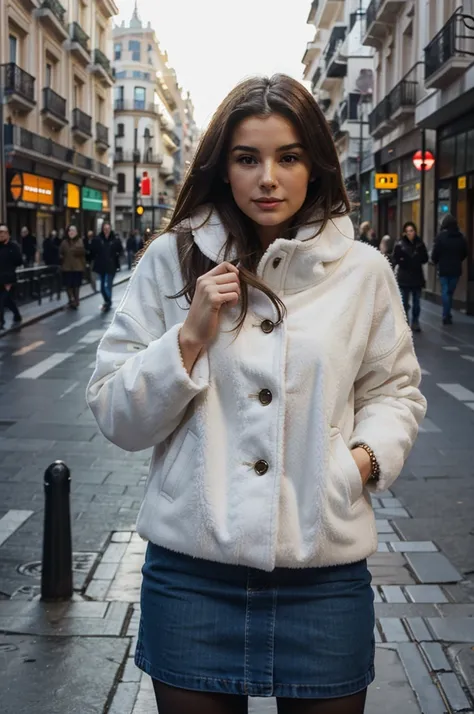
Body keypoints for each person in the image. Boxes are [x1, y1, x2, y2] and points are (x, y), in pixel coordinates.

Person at [87, 74, 426, 714]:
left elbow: (395, 390)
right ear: (223, 168)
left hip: (321, 572)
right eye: (248, 158)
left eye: (288, 157)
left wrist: (359, 465)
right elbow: (114, 411)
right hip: (191, 573)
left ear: (315, 165)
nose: (268, 177)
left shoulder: (363, 272)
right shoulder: (171, 260)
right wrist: (186, 339)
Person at [392, 221, 428, 333]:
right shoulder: (400, 244)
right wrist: (404, 261)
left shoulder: (420, 244)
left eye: (411, 231)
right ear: (404, 232)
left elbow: (425, 258)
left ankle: (415, 322)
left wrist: (417, 258)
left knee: (417, 302)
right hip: (404, 277)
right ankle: (405, 322)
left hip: (417, 277)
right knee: (404, 302)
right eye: (407, 231)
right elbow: (396, 258)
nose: (409, 233)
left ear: (415, 231)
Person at [431, 214, 468, 325]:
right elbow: (464, 253)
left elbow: (435, 253)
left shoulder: (440, 237)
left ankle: (446, 314)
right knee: (450, 292)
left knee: (445, 292)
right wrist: (458, 260)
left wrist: (435, 261)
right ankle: (447, 314)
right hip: (456, 269)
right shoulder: (461, 237)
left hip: (443, 269)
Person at [90, 222, 123, 312]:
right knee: (102, 287)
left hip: (111, 266)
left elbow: (120, 250)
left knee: (108, 286)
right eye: (105, 228)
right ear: (102, 229)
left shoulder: (115, 239)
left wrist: (116, 255)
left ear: (110, 229)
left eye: (108, 228)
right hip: (101, 266)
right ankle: (108, 301)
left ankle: (108, 302)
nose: (106, 230)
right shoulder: (98, 239)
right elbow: (92, 251)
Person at [0, 223, 23, 329]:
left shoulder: (13, 246)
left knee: (2, 299)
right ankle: (17, 315)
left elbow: (19, 261)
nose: (1, 235)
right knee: (7, 300)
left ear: (8, 234)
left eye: (3, 232)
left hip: (8, 278)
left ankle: (1, 321)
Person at [59, 224, 86, 309]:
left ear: (76, 232)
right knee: (68, 285)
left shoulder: (80, 241)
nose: (71, 232)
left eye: (73, 231)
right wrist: (61, 257)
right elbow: (60, 252)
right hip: (67, 267)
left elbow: (82, 252)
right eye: (70, 231)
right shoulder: (64, 242)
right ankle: (71, 299)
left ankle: (76, 300)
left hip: (78, 267)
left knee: (76, 285)